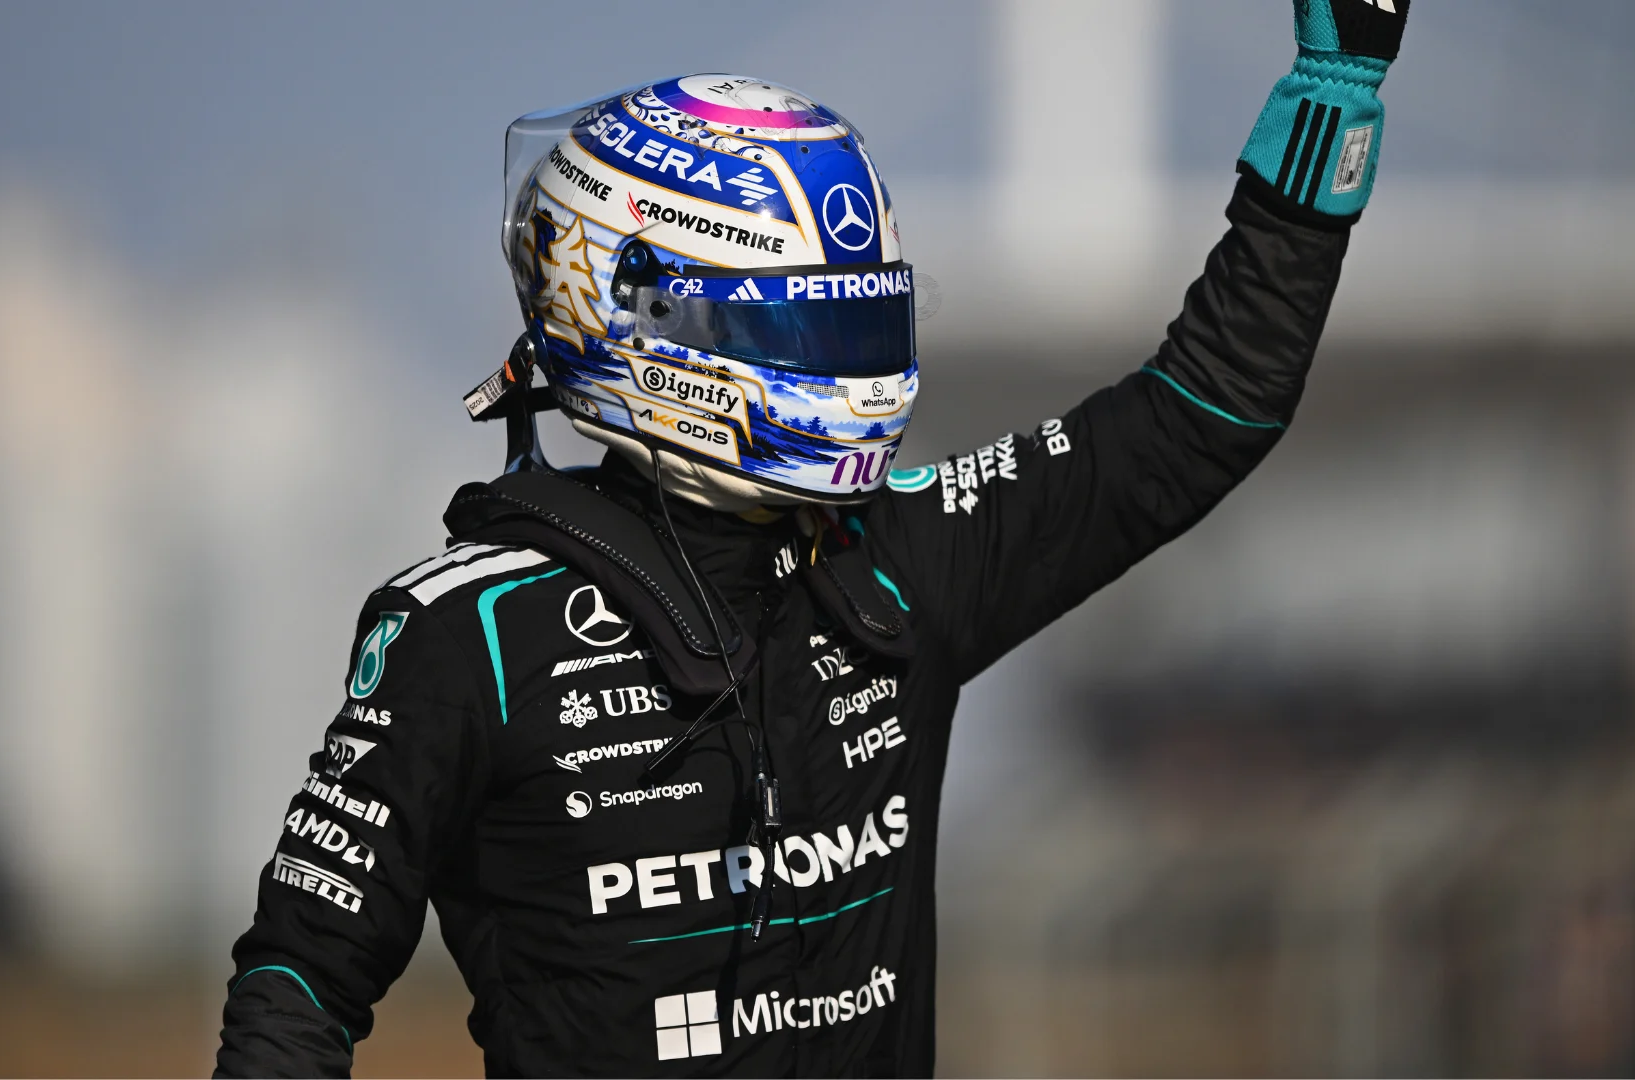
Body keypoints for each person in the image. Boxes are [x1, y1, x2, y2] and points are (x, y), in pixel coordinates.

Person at [215, 2, 1411, 1075]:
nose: (846, 374)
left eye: (860, 327)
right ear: (637, 319)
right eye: (798, 334)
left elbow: (1203, 412)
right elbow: (300, 979)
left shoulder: (896, 560)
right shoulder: (466, 631)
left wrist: (1336, 89)